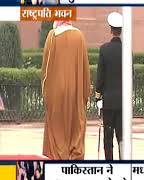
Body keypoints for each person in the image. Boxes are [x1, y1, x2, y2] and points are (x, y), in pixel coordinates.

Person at [41, 21, 91, 160]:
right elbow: (85, 67)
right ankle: (75, 157)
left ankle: (58, 158)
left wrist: (46, 91)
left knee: (57, 127)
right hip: (76, 91)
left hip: (57, 92)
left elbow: (46, 68)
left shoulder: (53, 36)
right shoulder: (79, 35)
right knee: (76, 124)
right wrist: (85, 91)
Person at [96, 12, 123, 160]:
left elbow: (100, 77)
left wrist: (98, 97)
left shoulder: (104, 49)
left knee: (108, 136)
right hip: (122, 103)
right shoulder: (127, 51)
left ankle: (109, 163)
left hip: (108, 101)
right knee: (121, 136)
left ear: (110, 29)